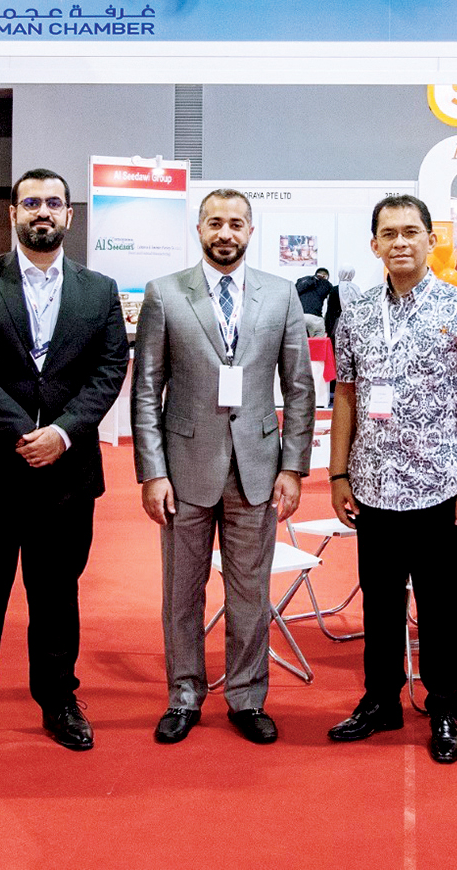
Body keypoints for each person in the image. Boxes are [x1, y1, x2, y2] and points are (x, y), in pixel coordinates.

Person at [0, 168, 129, 764]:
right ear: (13, 212)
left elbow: (110, 369)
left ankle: (59, 701)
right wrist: (25, 432)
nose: (44, 211)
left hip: (65, 474)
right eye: (32, 202)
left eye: (54, 203)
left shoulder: (99, 290)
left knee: (56, 596)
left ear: (70, 215)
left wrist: (62, 434)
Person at [133, 188, 314, 746]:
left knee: (250, 593)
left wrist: (293, 467)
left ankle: (247, 697)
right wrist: (152, 472)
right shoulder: (165, 294)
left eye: (236, 223)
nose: (225, 233)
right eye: (215, 222)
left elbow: (299, 388)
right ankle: (184, 695)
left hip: (258, 469)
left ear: (251, 230)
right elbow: (146, 390)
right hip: (184, 471)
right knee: (181, 594)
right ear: (199, 229)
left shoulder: (281, 295)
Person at [326, 195, 457, 765]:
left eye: (410, 231)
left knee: (440, 606)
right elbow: (345, 394)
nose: (400, 242)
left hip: (439, 489)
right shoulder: (355, 313)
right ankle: (381, 700)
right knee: (379, 604)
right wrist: (337, 472)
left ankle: (444, 707)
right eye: (389, 233)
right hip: (373, 486)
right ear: (374, 244)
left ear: (431, 239)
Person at [296, 267, 333, 337]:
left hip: (299, 316)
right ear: (325, 277)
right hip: (315, 317)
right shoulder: (326, 284)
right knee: (319, 340)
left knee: (298, 341)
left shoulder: (302, 281)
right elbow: (332, 302)